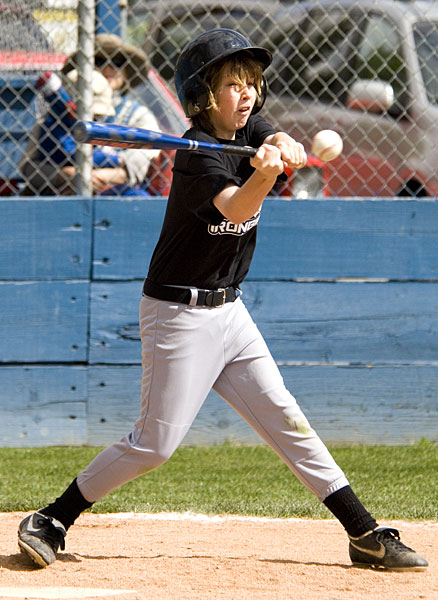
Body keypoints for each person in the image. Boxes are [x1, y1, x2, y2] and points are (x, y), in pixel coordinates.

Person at [17, 28, 428, 572]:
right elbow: (236, 208)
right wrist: (266, 173)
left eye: (252, 83)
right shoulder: (196, 159)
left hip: (230, 312)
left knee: (286, 417)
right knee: (155, 445)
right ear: (202, 96)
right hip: (178, 315)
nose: (247, 94)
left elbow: (268, 130)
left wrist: (281, 142)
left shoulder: (247, 127)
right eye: (233, 85)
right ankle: (51, 518)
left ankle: (364, 532)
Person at [19, 33, 161, 196]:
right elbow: (29, 166)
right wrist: (67, 176)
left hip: (114, 190)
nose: (108, 68)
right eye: (99, 61)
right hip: (63, 190)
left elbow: (141, 162)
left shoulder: (137, 115)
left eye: (117, 63)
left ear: (126, 72)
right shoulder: (60, 112)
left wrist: (96, 177)